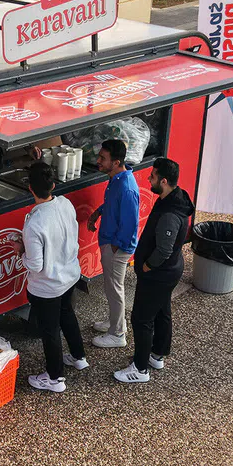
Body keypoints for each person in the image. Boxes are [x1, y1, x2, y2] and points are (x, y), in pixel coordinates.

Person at [115, 158, 193, 385]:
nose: (149, 178)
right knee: (161, 311)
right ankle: (157, 354)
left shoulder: (170, 214)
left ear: (164, 181)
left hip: (158, 274)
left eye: (153, 176)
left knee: (141, 318)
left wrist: (147, 266)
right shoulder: (174, 199)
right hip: (169, 272)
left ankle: (139, 369)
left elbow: (164, 250)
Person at [20, 162, 87, 392]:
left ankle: (55, 378)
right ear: (53, 185)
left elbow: (36, 265)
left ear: (30, 189)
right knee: (67, 314)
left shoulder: (33, 223)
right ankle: (79, 356)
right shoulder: (66, 203)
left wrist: (20, 253)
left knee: (50, 330)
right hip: (69, 274)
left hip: (47, 286)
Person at [86, 139, 140, 349]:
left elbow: (130, 224)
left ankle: (117, 334)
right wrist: (98, 213)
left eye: (103, 158)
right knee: (111, 288)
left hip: (116, 247)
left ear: (116, 162)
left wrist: (115, 247)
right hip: (112, 244)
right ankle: (115, 323)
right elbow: (113, 204)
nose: (98, 161)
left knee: (115, 289)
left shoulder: (126, 187)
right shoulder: (118, 178)